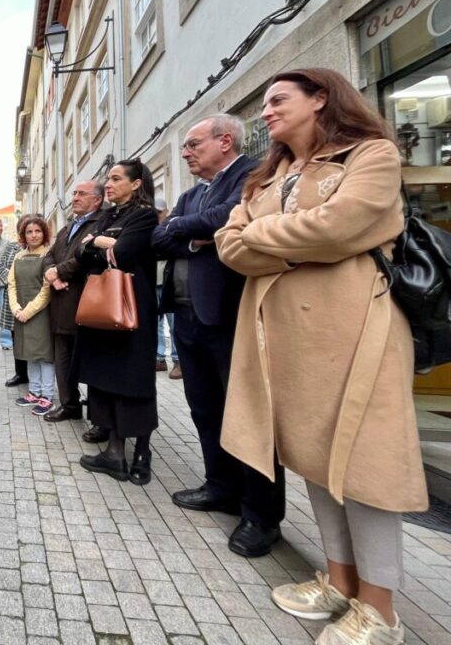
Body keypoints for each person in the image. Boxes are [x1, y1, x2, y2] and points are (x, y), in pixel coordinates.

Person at [217, 69, 426, 644]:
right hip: (285, 340)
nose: (265, 112)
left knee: (364, 467)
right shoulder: (270, 173)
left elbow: (340, 227)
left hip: (357, 331)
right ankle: (338, 583)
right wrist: (295, 244)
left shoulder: (372, 155)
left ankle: (379, 610)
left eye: (277, 100)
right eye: (263, 103)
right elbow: (229, 246)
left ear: (321, 99)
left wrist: (269, 238)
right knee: (311, 455)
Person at [152, 114, 286, 557]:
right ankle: (220, 486)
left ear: (224, 141)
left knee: (247, 414)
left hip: (231, 315)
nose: (186, 152)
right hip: (187, 318)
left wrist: (187, 228)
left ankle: (261, 515)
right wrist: (193, 235)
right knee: (205, 408)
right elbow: (160, 238)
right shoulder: (193, 192)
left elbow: (224, 220)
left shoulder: (251, 175)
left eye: (193, 145)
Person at [75, 161, 159, 485]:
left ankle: (141, 453)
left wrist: (100, 243)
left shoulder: (145, 215)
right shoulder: (109, 215)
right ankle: (114, 452)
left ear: (136, 183)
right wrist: (100, 244)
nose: (107, 184)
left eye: (115, 178)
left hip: (132, 308)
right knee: (106, 379)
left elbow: (123, 254)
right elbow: (84, 254)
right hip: (103, 309)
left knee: (133, 381)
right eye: (107, 179)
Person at [41, 182, 105, 428]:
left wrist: (58, 272)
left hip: (85, 302)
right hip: (60, 304)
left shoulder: (99, 224)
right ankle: (69, 405)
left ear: (97, 200)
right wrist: (50, 273)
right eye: (74, 193)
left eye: (81, 194)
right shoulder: (68, 226)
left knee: (91, 359)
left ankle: (99, 415)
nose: (75, 198)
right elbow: (49, 255)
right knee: (63, 358)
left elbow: (85, 257)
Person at [8, 215, 53, 415]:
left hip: (41, 313)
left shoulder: (48, 256)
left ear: (44, 233)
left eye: (37, 231)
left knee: (44, 355)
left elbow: (47, 289)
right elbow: (11, 285)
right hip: (21, 313)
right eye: (29, 232)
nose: (33, 235)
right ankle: (34, 391)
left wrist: (28, 311)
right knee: (29, 354)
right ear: (23, 235)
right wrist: (16, 308)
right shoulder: (18, 256)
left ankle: (47, 396)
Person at [0, 224, 30, 388]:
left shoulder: (42, 249)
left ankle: (36, 375)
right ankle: (20, 373)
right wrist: (13, 281)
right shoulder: (12, 247)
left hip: (31, 298)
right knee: (15, 335)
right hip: (12, 296)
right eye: (24, 230)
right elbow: (1, 266)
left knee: (32, 336)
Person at [152, 197, 180, 380]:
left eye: (160, 212)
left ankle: (178, 360)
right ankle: (159, 357)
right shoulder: (150, 229)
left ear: (166, 211)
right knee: (155, 323)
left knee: (174, 323)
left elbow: (171, 249)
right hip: (152, 281)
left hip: (170, 280)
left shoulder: (172, 226)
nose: (157, 216)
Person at [0, 219, 13, 350]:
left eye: (1, 226)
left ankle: (6, 341)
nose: (0, 228)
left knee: (4, 312)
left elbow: (9, 263)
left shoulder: (7, 244)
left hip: (2, 283)